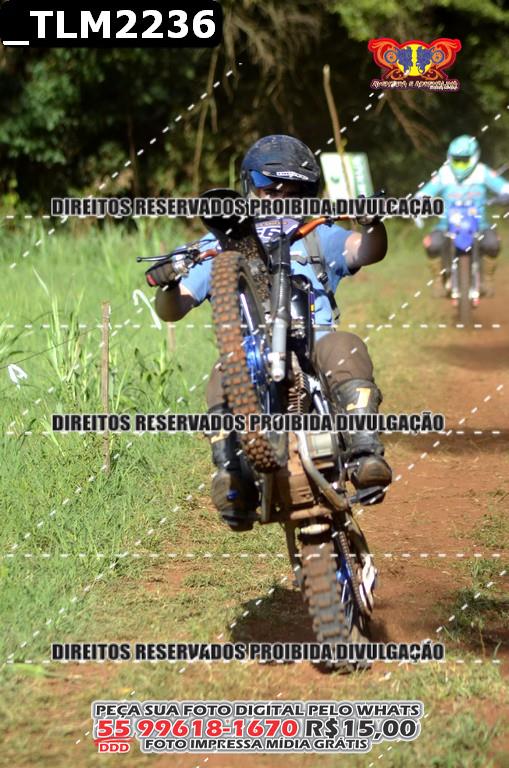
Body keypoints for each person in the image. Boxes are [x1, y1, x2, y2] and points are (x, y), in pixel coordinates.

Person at [147, 135, 392, 531]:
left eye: (292, 191)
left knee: (346, 347)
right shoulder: (221, 244)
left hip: (316, 346)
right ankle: (231, 477)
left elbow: (366, 249)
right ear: (249, 186)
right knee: (222, 375)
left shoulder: (318, 234)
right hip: (252, 359)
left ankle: (366, 453)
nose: (278, 198)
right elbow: (173, 309)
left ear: (307, 195)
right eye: (268, 187)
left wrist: (372, 223)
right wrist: (169, 285)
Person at [416, 135, 509, 297]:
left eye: (464, 160)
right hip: (446, 225)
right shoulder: (444, 174)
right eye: (457, 160)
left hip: (480, 225)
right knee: (432, 244)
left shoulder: (482, 172)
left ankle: (487, 278)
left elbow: (504, 187)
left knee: (493, 243)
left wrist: (504, 195)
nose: (460, 165)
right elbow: (425, 192)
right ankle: (438, 279)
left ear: (474, 157)